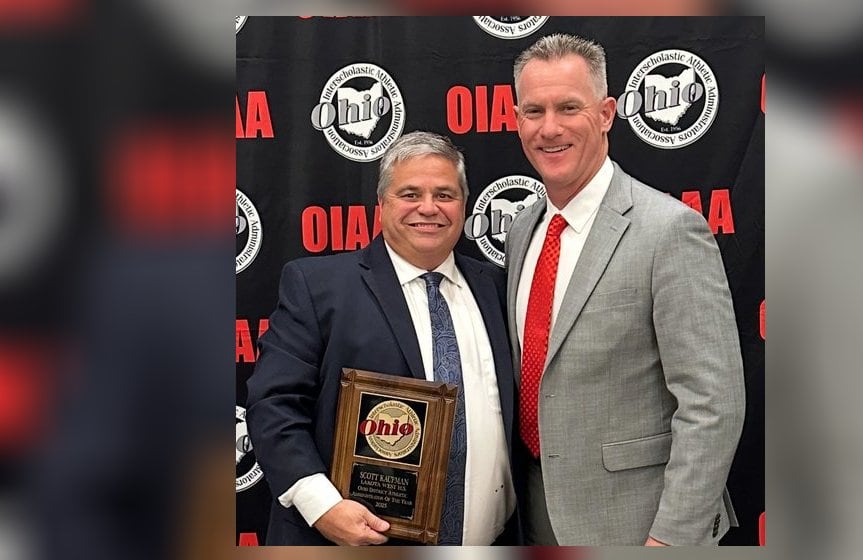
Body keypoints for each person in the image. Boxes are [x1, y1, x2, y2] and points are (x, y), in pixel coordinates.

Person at [505, 33, 745, 546]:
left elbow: (713, 403)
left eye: (569, 107)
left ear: (608, 113)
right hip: (536, 517)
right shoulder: (524, 229)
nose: (549, 128)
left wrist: (671, 539)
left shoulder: (669, 230)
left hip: (639, 528)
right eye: (533, 111)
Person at [246, 131, 517, 545]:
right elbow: (273, 406)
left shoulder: (497, 287)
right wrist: (322, 506)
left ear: (463, 205)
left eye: (445, 194)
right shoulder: (318, 287)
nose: (429, 208)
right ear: (382, 205)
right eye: (410, 193)